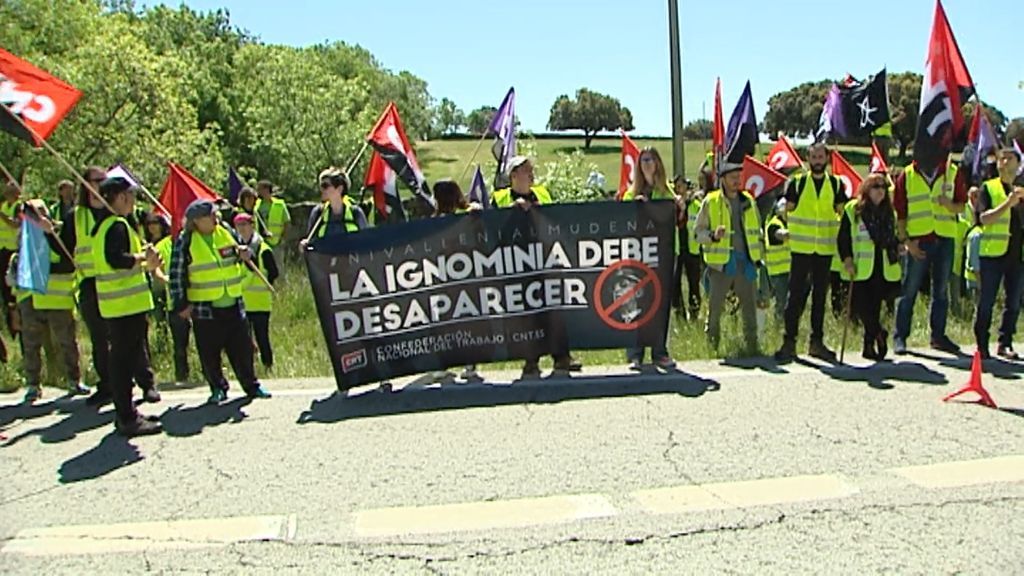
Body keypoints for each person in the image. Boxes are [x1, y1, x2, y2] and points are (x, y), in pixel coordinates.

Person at [66, 167, 160, 406]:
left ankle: (143, 386)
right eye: (97, 180)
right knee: (111, 347)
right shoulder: (91, 219)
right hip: (101, 289)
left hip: (121, 292)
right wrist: (142, 260)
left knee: (130, 346)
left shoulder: (121, 220)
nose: (100, 183)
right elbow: (115, 258)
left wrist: (144, 259)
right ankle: (118, 401)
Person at [169, 199, 272, 403]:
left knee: (242, 349)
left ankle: (251, 385)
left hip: (233, 302)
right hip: (205, 307)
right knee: (210, 353)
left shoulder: (225, 231)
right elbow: (176, 274)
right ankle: (217, 387)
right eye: (210, 215)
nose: (215, 217)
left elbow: (241, 252)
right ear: (197, 221)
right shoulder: (185, 240)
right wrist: (181, 304)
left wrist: (245, 253)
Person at [492, 156, 581, 379]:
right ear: (513, 175)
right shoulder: (499, 198)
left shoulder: (542, 193)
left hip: (546, 260)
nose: (532, 174)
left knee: (555, 309)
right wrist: (511, 212)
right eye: (526, 170)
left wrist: (540, 210)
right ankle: (531, 360)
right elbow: (491, 229)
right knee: (527, 313)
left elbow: (555, 221)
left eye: (532, 170)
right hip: (517, 265)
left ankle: (562, 357)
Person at [93, 177, 162, 436]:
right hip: (124, 305)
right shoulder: (116, 225)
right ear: (121, 197)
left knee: (124, 359)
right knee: (122, 363)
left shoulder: (103, 226)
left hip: (117, 305)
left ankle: (127, 412)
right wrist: (144, 258)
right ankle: (127, 417)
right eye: (130, 196)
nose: (133, 201)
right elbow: (116, 260)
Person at [775, 143, 849, 363]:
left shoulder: (835, 184)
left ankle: (816, 343)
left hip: (824, 250)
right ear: (808, 159)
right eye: (813, 157)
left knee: (819, 298)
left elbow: (843, 214)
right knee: (795, 298)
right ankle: (789, 343)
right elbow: (785, 211)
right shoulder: (796, 183)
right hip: (801, 250)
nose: (817, 161)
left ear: (827, 159)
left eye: (820, 157)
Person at [12, 200, 90, 402]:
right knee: (31, 345)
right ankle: (33, 384)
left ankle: (74, 380)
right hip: (31, 299)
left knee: (67, 343)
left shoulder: (59, 234)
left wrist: (48, 236)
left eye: (38, 213)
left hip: (58, 299)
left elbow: (67, 262)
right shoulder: (24, 238)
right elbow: (18, 268)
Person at [892, 153, 967, 355]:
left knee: (941, 291)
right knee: (909, 289)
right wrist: (906, 241)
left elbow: (962, 204)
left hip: (944, 238)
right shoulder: (907, 175)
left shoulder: (952, 172)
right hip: (918, 240)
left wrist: (949, 205)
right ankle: (900, 337)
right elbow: (900, 212)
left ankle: (938, 336)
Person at [620, 147, 679, 370]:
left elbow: (675, 218)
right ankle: (635, 354)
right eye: (643, 159)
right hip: (637, 254)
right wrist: (636, 205)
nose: (647, 163)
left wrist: (679, 207)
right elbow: (622, 219)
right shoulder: (630, 193)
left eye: (651, 159)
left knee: (660, 304)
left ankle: (659, 352)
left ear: (658, 164)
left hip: (663, 255)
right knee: (637, 302)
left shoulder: (667, 192)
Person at [695, 161, 764, 352]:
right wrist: (712, 236)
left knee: (749, 309)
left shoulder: (748, 201)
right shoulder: (711, 201)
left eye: (738, 177)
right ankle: (712, 349)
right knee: (715, 310)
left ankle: (752, 349)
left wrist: (757, 259)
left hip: (746, 263)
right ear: (723, 180)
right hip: (720, 266)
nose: (737, 181)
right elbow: (697, 233)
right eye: (733, 177)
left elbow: (758, 231)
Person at [838, 175, 902, 361]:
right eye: (876, 186)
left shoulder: (889, 212)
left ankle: (868, 346)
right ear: (867, 189)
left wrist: (898, 246)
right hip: (860, 267)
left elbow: (893, 237)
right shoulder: (853, 209)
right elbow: (843, 237)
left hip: (882, 266)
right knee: (860, 307)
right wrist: (847, 259)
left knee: (874, 307)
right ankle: (878, 332)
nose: (880, 190)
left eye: (883, 187)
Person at [972, 147, 1024, 360]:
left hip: (1017, 255)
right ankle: (981, 344)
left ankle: (1005, 342)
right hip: (993, 255)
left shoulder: (1021, 190)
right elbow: (983, 218)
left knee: (1013, 303)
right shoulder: (989, 188)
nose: (1004, 162)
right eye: (1001, 159)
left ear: (1018, 164)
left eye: (1009, 159)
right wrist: (1008, 203)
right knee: (986, 302)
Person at [430, 179, 482, 383]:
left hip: (458, 276)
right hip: (450, 276)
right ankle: (460, 363)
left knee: (453, 320)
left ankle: (459, 363)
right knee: (454, 320)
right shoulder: (437, 221)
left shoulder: (465, 217)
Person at [234, 213, 279, 371]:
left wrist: (265, 283)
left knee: (262, 337)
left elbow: (274, 272)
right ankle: (249, 369)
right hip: (243, 302)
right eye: (238, 225)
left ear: (252, 226)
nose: (242, 229)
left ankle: (268, 366)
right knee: (244, 339)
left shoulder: (263, 249)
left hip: (260, 302)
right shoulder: (236, 250)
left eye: (245, 225)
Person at [151, 212, 191, 384]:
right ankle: (182, 377)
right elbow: (155, 268)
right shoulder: (162, 245)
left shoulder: (193, 241)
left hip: (199, 300)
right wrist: (166, 279)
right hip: (175, 301)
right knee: (179, 346)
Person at [302, 168, 368, 247]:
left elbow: (366, 242)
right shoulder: (318, 213)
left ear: (339, 189)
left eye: (325, 186)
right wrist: (304, 245)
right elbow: (310, 243)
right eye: (321, 186)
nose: (321, 189)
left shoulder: (356, 213)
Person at [675, 176, 703, 321]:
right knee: (675, 285)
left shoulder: (696, 205)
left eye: (682, 185)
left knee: (694, 283)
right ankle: (679, 314)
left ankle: (694, 313)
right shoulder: (672, 206)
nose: (679, 189)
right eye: (677, 186)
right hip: (676, 250)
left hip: (693, 250)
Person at [764, 197, 791, 319]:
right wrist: (797, 232)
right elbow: (780, 235)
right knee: (781, 302)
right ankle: (778, 324)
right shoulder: (774, 224)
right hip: (778, 272)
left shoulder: (788, 223)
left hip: (788, 270)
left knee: (788, 301)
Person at [0, 181, 21, 337]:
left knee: (13, 290)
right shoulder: (4, 206)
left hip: (14, 251)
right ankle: (11, 325)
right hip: (2, 250)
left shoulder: (19, 206)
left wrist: (2, 216)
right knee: (5, 291)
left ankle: (17, 323)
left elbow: (15, 224)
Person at [255, 180, 290, 249]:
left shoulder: (279, 204)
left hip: (276, 242)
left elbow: (287, 223)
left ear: (267, 189)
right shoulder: (256, 204)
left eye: (259, 189)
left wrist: (282, 239)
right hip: (260, 241)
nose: (258, 191)